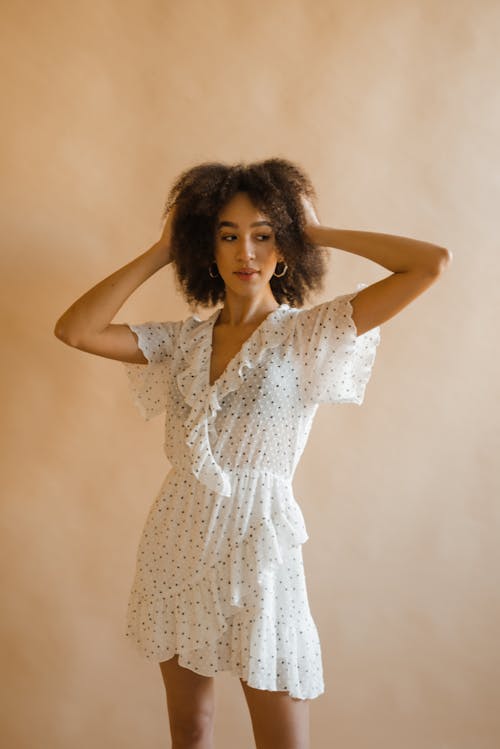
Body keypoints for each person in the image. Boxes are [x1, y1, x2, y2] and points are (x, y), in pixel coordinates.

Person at [54, 158, 451, 749]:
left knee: (282, 739)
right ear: (207, 249)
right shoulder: (182, 340)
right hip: (177, 535)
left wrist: (316, 232)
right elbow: (77, 329)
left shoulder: (306, 334)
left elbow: (429, 264)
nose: (247, 252)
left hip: (258, 539)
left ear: (284, 249)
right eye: (228, 235)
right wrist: (164, 247)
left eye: (264, 235)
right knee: (190, 729)